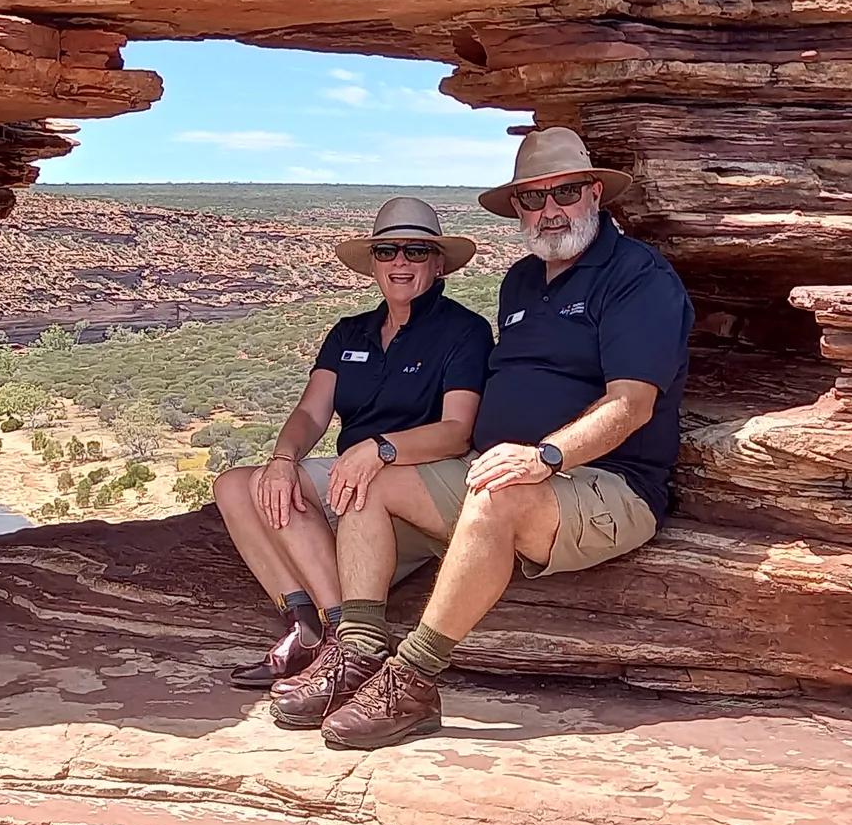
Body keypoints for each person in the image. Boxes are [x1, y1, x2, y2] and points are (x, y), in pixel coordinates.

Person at [271, 127, 693, 749]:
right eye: (532, 199)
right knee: (367, 478)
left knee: (498, 495)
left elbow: (631, 406)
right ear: (517, 208)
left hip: (605, 482)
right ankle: (357, 650)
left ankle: (410, 680)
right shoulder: (522, 281)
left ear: (596, 193)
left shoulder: (637, 278)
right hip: (500, 468)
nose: (550, 211)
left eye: (566, 193)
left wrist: (546, 455)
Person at [211, 197, 492, 689]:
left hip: (409, 474)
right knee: (237, 484)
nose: (400, 262)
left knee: (300, 484)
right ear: (374, 264)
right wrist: (282, 458)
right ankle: (306, 627)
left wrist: (380, 449)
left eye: (415, 251)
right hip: (351, 470)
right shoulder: (350, 332)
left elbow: (456, 431)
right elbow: (310, 411)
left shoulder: (463, 331)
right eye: (387, 251)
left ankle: (347, 639)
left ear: (439, 263)